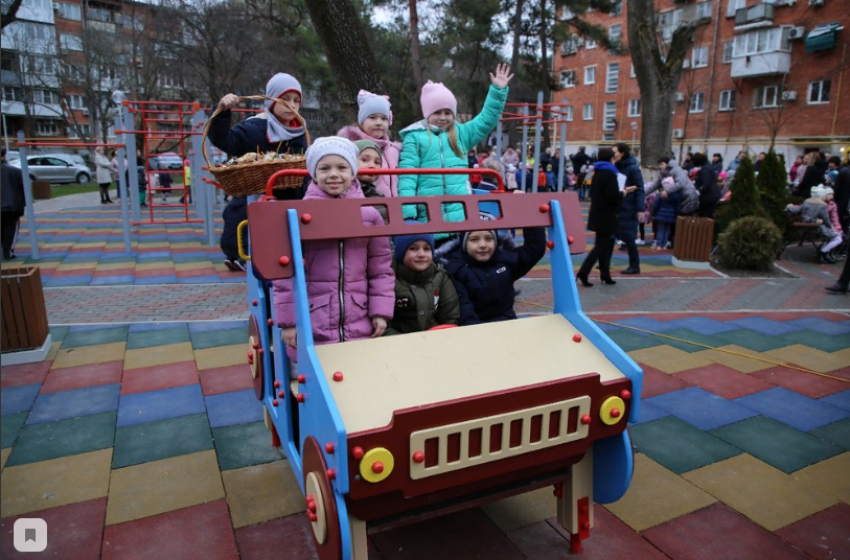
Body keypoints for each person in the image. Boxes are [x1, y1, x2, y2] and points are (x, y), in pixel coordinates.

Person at [273, 137, 394, 374]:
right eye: (324, 168)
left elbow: (380, 269)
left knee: (356, 377)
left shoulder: (369, 215)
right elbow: (284, 275)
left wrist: (379, 311)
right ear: (314, 174)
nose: (333, 175)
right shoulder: (299, 216)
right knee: (314, 382)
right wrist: (289, 323)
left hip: (358, 314)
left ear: (353, 172)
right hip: (313, 317)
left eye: (342, 167)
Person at [397, 64, 513, 240]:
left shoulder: (461, 134)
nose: (443, 117)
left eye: (448, 112)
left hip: (461, 216)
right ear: (427, 113)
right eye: (437, 112)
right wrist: (408, 212)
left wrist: (498, 90)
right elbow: (407, 177)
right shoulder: (415, 137)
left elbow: (486, 120)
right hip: (427, 214)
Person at [211, 73, 309, 200]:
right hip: (256, 203)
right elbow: (223, 140)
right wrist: (222, 114)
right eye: (285, 98)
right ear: (272, 100)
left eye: (296, 100)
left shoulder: (301, 132)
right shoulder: (254, 128)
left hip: (296, 206)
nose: (292, 105)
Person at [440, 221, 545, 325]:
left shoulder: (505, 261)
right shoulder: (455, 269)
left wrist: (529, 216)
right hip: (474, 329)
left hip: (506, 323)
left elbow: (534, 249)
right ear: (464, 243)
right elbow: (464, 310)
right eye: (474, 239)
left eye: (488, 238)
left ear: (496, 241)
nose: (483, 245)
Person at [385, 231, 459, 335]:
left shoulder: (441, 278)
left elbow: (450, 318)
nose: (421, 254)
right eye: (413, 249)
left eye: (426, 249)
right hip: (399, 344)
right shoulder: (388, 280)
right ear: (401, 252)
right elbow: (383, 325)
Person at [337, 91, 401, 197]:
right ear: (362, 121)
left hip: (393, 208)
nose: (379, 122)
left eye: (384, 118)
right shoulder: (350, 148)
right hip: (365, 205)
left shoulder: (394, 150)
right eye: (372, 117)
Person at [576, 147, 621, 287]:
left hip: (597, 214)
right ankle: (584, 272)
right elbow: (612, 196)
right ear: (611, 159)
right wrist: (623, 194)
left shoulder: (598, 172)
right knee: (602, 246)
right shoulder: (610, 174)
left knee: (603, 245)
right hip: (607, 215)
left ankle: (605, 275)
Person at [786, 186, 843, 264]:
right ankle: (823, 252)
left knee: (834, 236)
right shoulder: (822, 206)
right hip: (817, 228)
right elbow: (827, 220)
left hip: (805, 226)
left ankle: (824, 253)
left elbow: (796, 210)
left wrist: (790, 206)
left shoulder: (807, 201)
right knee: (838, 238)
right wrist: (832, 228)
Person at [614, 142, 645, 275]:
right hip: (620, 206)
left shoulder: (632, 168)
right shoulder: (618, 166)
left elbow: (640, 188)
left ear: (622, 153)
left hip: (628, 207)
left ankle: (635, 265)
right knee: (611, 235)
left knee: (629, 238)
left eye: (614, 152)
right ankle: (603, 261)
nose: (613, 154)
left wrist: (640, 209)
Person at [354, 139, 388, 223]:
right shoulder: (343, 193)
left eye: (377, 162)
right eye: (365, 160)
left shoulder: (379, 196)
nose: (372, 166)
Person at [1, 148, 25, 260]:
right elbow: (23, 188)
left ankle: (5, 248)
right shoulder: (14, 171)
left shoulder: (14, 171)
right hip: (12, 205)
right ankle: (7, 251)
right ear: (4, 156)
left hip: (10, 204)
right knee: (10, 228)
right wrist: (22, 205)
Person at [651, 177, 680, 251]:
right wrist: (676, 215)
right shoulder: (676, 195)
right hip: (671, 216)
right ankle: (664, 245)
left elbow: (656, 205)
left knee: (660, 230)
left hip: (661, 215)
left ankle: (658, 245)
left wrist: (653, 213)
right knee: (667, 231)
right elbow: (677, 207)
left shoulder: (661, 194)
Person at [220, 196, 248, 271]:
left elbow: (225, 217)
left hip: (224, 245)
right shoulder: (249, 206)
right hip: (241, 246)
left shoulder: (228, 207)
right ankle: (243, 261)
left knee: (234, 231)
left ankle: (230, 259)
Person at [692, 152, 720, 218]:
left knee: (705, 214)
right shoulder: (707, 167)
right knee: (708, 214)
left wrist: (699, 190)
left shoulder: (705, 169)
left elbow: (706, 182)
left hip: (708, 196)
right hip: (710, 195)